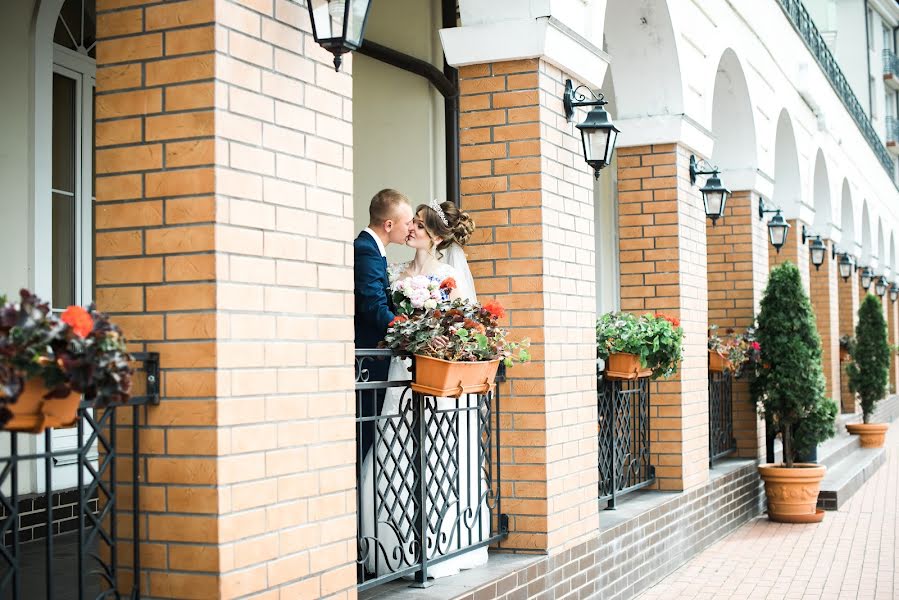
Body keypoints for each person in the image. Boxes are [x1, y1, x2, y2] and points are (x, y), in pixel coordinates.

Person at [359, 199, 487, 579]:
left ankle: (439, 541)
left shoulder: (447, 274)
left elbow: (458, 328)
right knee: (395, 445)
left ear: (432, 235)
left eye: (417, 224)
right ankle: (392, 546)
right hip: (401, 371)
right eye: (410, 222)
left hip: (430, 374)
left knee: (433, 452)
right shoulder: (396, 270)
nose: (410, 228)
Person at [354, 189, 415, 461]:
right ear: (388, 225)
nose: (411, 227)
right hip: (367, 361)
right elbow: (372, 306)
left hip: (377, 359)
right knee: (365, 434)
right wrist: (411, 335)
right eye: (407, 222)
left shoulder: (374, 251)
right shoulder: (365, 250)